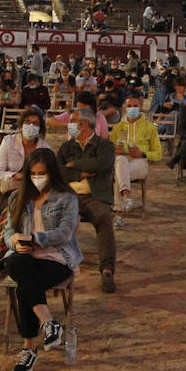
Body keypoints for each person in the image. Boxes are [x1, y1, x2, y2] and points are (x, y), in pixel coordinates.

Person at [0, 148, 79, 371]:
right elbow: (8, 232)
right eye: (34, 173)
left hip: (56, 257)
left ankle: (29, 347)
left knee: (24, 285)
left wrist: (36, 240)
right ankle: (48, 323)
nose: (38, 177)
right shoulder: (18, 196)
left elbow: (65, 232)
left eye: (42, 173)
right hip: (25, 256)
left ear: (52, 173)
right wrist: (16, 241)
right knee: (16, 264)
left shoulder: (67, 197)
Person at [58, 107, 118, 293]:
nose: (69, 124)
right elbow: (58, 170)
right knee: (59, 219)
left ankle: (107, 269)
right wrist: (82, 173)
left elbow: (102, 164)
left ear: (83, 124)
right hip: (69, 195)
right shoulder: (67, 147)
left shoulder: (105, 146)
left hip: (95, 195)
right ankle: (60, 265)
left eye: (72, 120)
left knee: (103, 219)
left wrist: (74, 165)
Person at [108, 91, 161, 226]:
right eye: (129, 106)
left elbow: (158, 153)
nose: (132, 108)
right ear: (125, 108)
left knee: (119, 175)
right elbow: (112, 148)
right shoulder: (118, 128)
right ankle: (127, 197)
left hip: (140, 163)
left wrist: (143, 154)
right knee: (120, 162)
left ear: (140, 106)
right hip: (122, 161)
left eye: (135, 105)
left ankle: (119, 213)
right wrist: (116, 150)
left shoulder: (149, 127)